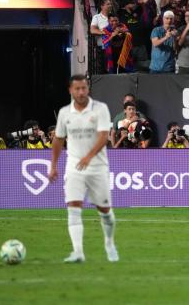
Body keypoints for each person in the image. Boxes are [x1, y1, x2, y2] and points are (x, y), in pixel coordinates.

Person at [48, 74, 118, 262]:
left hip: (97, 167)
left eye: (84, 88)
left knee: (104, 209)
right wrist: (53, 166)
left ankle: (109, 243)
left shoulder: (100, 109)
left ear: (88, 89)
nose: (81, 92)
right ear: (70, 90)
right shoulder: (64, 113)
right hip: (74, 166)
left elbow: (104, 136)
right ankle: (78, 252)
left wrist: (89, 156)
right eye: (77, 89)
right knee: (73, 206)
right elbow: (59, 139)